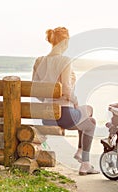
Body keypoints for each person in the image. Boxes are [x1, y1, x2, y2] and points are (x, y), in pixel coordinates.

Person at [32, 26, 99, 175]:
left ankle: (81, 152)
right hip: (64, 116)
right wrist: (75, 102)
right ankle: (84, 160)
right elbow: (67, 90)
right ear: (65, 41)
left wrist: (49, 98)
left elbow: (36, 91)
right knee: (90, 119)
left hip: (46, 118)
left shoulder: (38, 61)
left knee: (86, 114)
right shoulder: (65, 61)